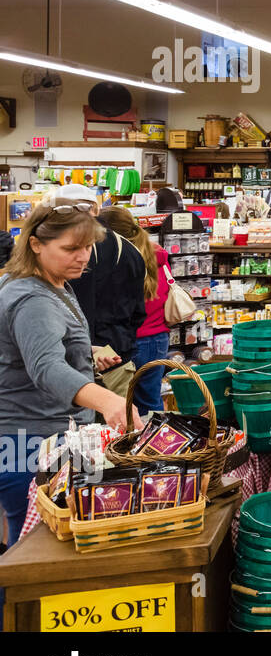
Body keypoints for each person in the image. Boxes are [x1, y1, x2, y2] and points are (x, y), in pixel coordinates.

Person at [0, 201, 129, 552]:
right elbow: (44, 366)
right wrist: (108, 400)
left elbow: (36, 347)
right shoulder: (32, 298)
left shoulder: (50, 282)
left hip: (43, 436)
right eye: (71, 248)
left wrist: (84, 354)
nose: (83, 257)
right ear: (36, 244)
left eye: (87, 246)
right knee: (31, 555)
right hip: (31, 442)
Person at [61, 186, 146, 400]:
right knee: (118, 430)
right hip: (118, 357)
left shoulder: (67, 253)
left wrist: (86, 350)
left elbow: (78, 309)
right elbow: (138, 312)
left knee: (78, 431)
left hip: (76, 362)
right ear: (96, 210)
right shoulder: (131, 249)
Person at [100, 207, 172, 414]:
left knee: (125, 403)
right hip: (159, 337)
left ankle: (135, 442)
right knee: (150, 399)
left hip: (130, 340)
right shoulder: (156, 253)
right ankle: (157, 442)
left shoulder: (118, 261)